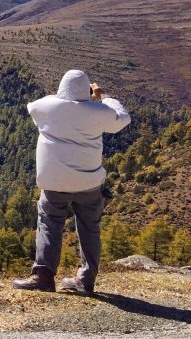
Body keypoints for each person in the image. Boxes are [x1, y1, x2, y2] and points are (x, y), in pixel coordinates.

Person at [12, 70, 130, 295]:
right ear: (87, 90)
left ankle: (43, 276)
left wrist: (68, 96)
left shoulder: (45, 107)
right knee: (89, 229)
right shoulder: (99, 111)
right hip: (89, 182)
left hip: (55, 182)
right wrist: (103, 97)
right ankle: (86, 280)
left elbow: (35, 105)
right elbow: (123, 118)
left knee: (49, 223)